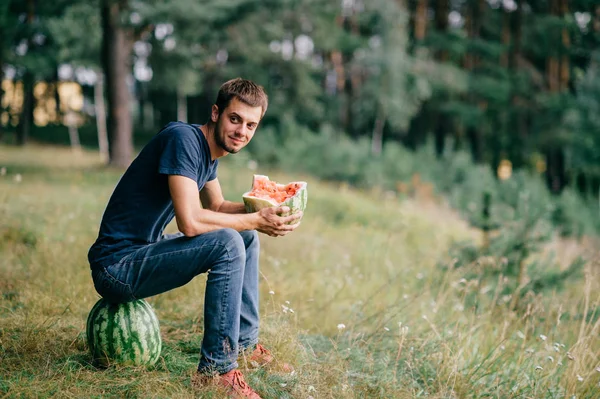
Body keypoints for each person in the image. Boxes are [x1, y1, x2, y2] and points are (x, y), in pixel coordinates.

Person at [88, 78, 302, 399]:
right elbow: (190, 221)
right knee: (229, 241)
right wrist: (255, 219)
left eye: (251, 125)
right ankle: (216, 371)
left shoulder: (207, 153)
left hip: (144, 254)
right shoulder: (183, 139)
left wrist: (269, 204)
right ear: (216, 113)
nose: (241, 131)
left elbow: (215, 207)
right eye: (235, 119)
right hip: (116, 268)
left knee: (242, 237)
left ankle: (243, 345)